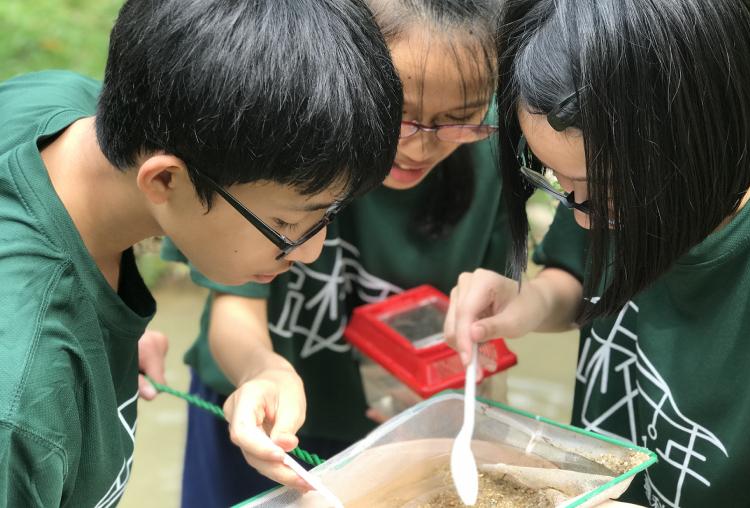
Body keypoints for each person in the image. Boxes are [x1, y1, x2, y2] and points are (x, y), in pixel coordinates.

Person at [0, 0, 402, 503]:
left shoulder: (56, 103)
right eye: (287, 224)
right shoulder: (21, 405)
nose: (310, 252)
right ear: (165, 179)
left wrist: (102, 338)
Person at [445, 0, 750, 506]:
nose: (583, 217)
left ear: (692, 139)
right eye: (558, 180)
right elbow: (585, 277)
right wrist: (532, 303)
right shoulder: (625, 154)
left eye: (598, 189)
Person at [163, 0, 508, 505]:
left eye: (458, 120)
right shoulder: (277, 122)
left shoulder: (493, 155)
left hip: (397, 427)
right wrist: (264, 371)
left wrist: (457, 403)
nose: (419, 147)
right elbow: (234, 305)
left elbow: (489, 321)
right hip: (258, 416)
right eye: (400, 115)